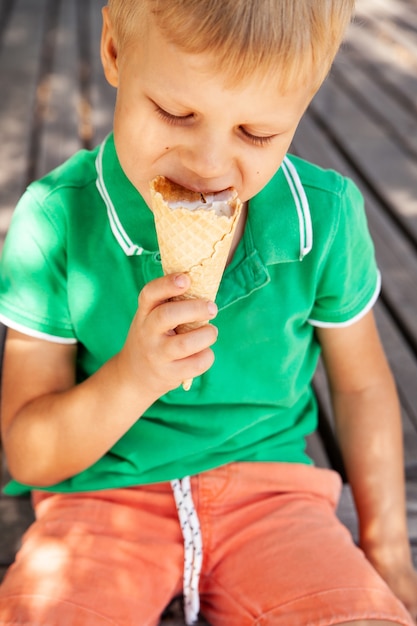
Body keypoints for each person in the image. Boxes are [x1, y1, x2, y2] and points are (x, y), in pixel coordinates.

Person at [0, 0, 416, 624]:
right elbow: (30, 455)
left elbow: (359, 385)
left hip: (275, 499)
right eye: (174, 112)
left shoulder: (322, 220)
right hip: (99, 499)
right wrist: (134, 375)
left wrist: (387, 550)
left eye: (257, 134)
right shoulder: (56, 222)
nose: (210, 167)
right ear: (114, 49)